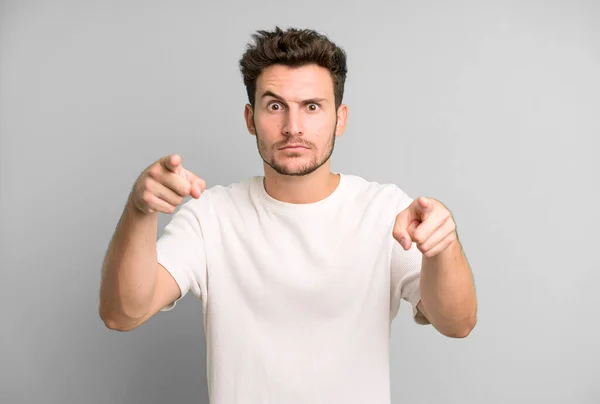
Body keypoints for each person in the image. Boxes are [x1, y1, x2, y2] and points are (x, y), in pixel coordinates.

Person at [99, 26, 477, 404]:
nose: (292, 127)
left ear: (339, 119)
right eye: (275, 106)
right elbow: (122, 313)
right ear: (250, 119)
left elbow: (457, 323)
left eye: (311, 107)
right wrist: (140, 209)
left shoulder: (384, 212)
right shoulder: (211, 217)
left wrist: (443, 245)